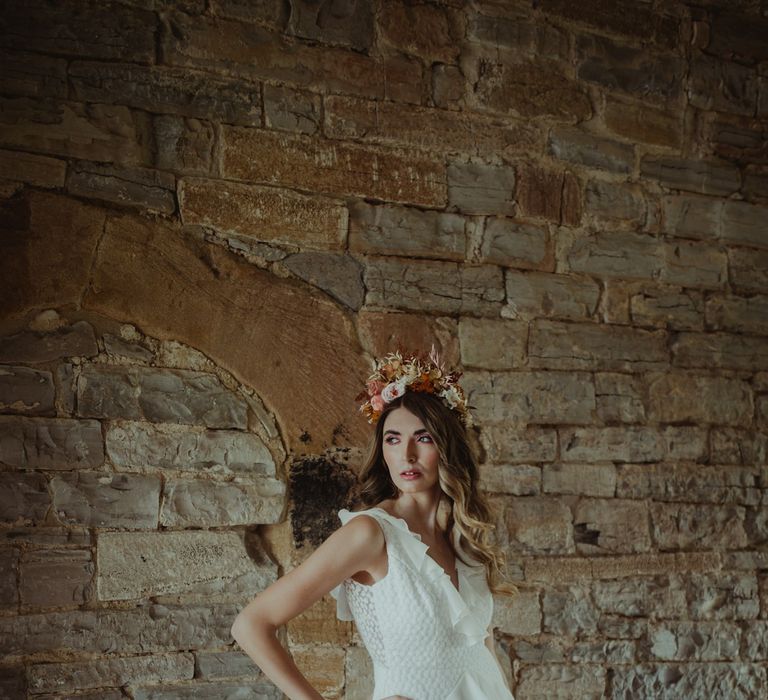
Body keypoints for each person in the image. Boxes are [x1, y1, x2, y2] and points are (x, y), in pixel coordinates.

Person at [231, 348, 518, 699]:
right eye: (393, 439)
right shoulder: (370, 534)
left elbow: (480, 647)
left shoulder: (460, 535)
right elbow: (251, 625)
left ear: (447, 448)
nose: (406, 455)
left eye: (423, 438)